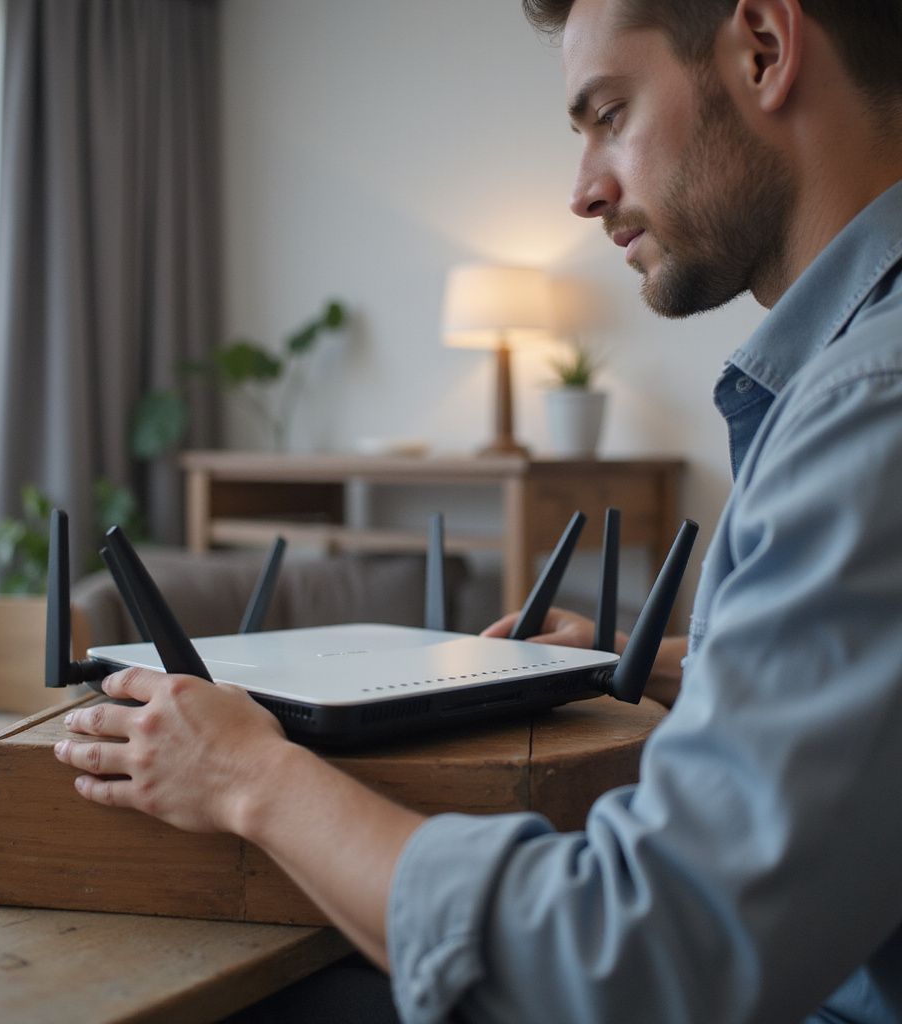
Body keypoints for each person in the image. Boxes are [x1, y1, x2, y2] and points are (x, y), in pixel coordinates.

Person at [54, 0, 902, 1019]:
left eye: (608, 112)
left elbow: (635, 955)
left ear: (762, 48)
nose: (584, 190)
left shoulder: (868, 406)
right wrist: (657, 656)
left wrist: (249, 777)